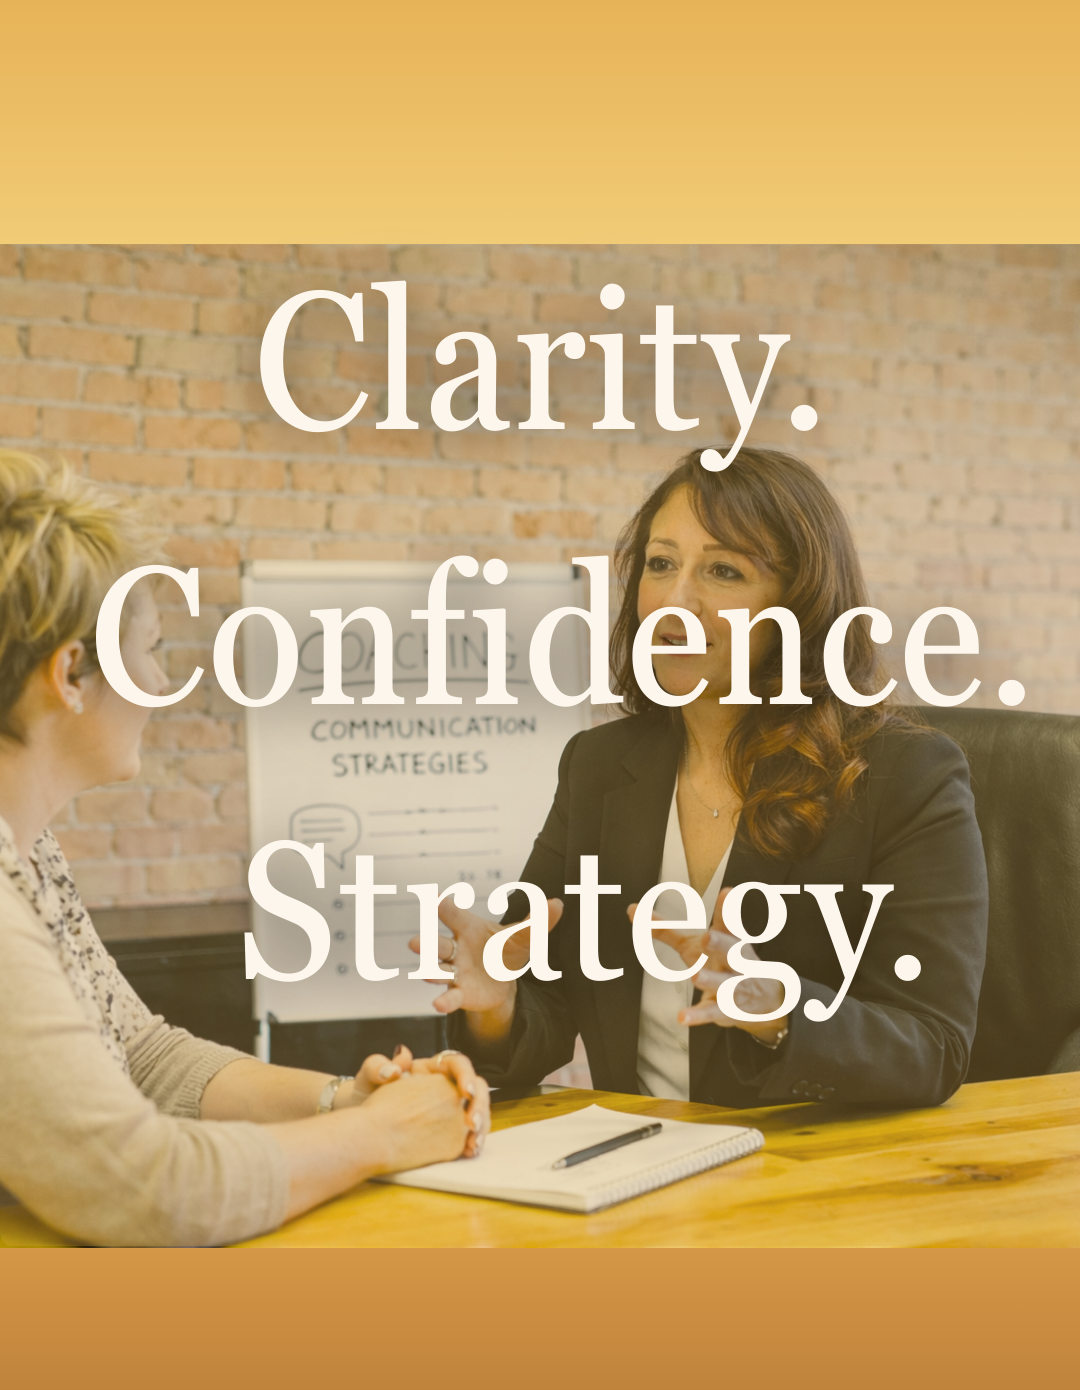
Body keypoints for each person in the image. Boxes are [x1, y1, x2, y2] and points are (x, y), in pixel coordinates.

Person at [0, 449, 489, 1247]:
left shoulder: (30, 850)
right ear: (73, 674)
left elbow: (141, 1055)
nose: (162, 685)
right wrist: (383, 1136)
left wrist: (348, 1100)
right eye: (151, 650)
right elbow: (144, 1188)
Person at [421, 446, 989, 1110]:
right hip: (635, 1168)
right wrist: (498, 1004)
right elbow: (542, 997)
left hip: (812, 1179)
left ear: (800, 605)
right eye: (661, 564)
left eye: (723, 570)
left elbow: (934, 1046)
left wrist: (773, 1004)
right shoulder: (598, 766)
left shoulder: (906, 776)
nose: (675, 599)